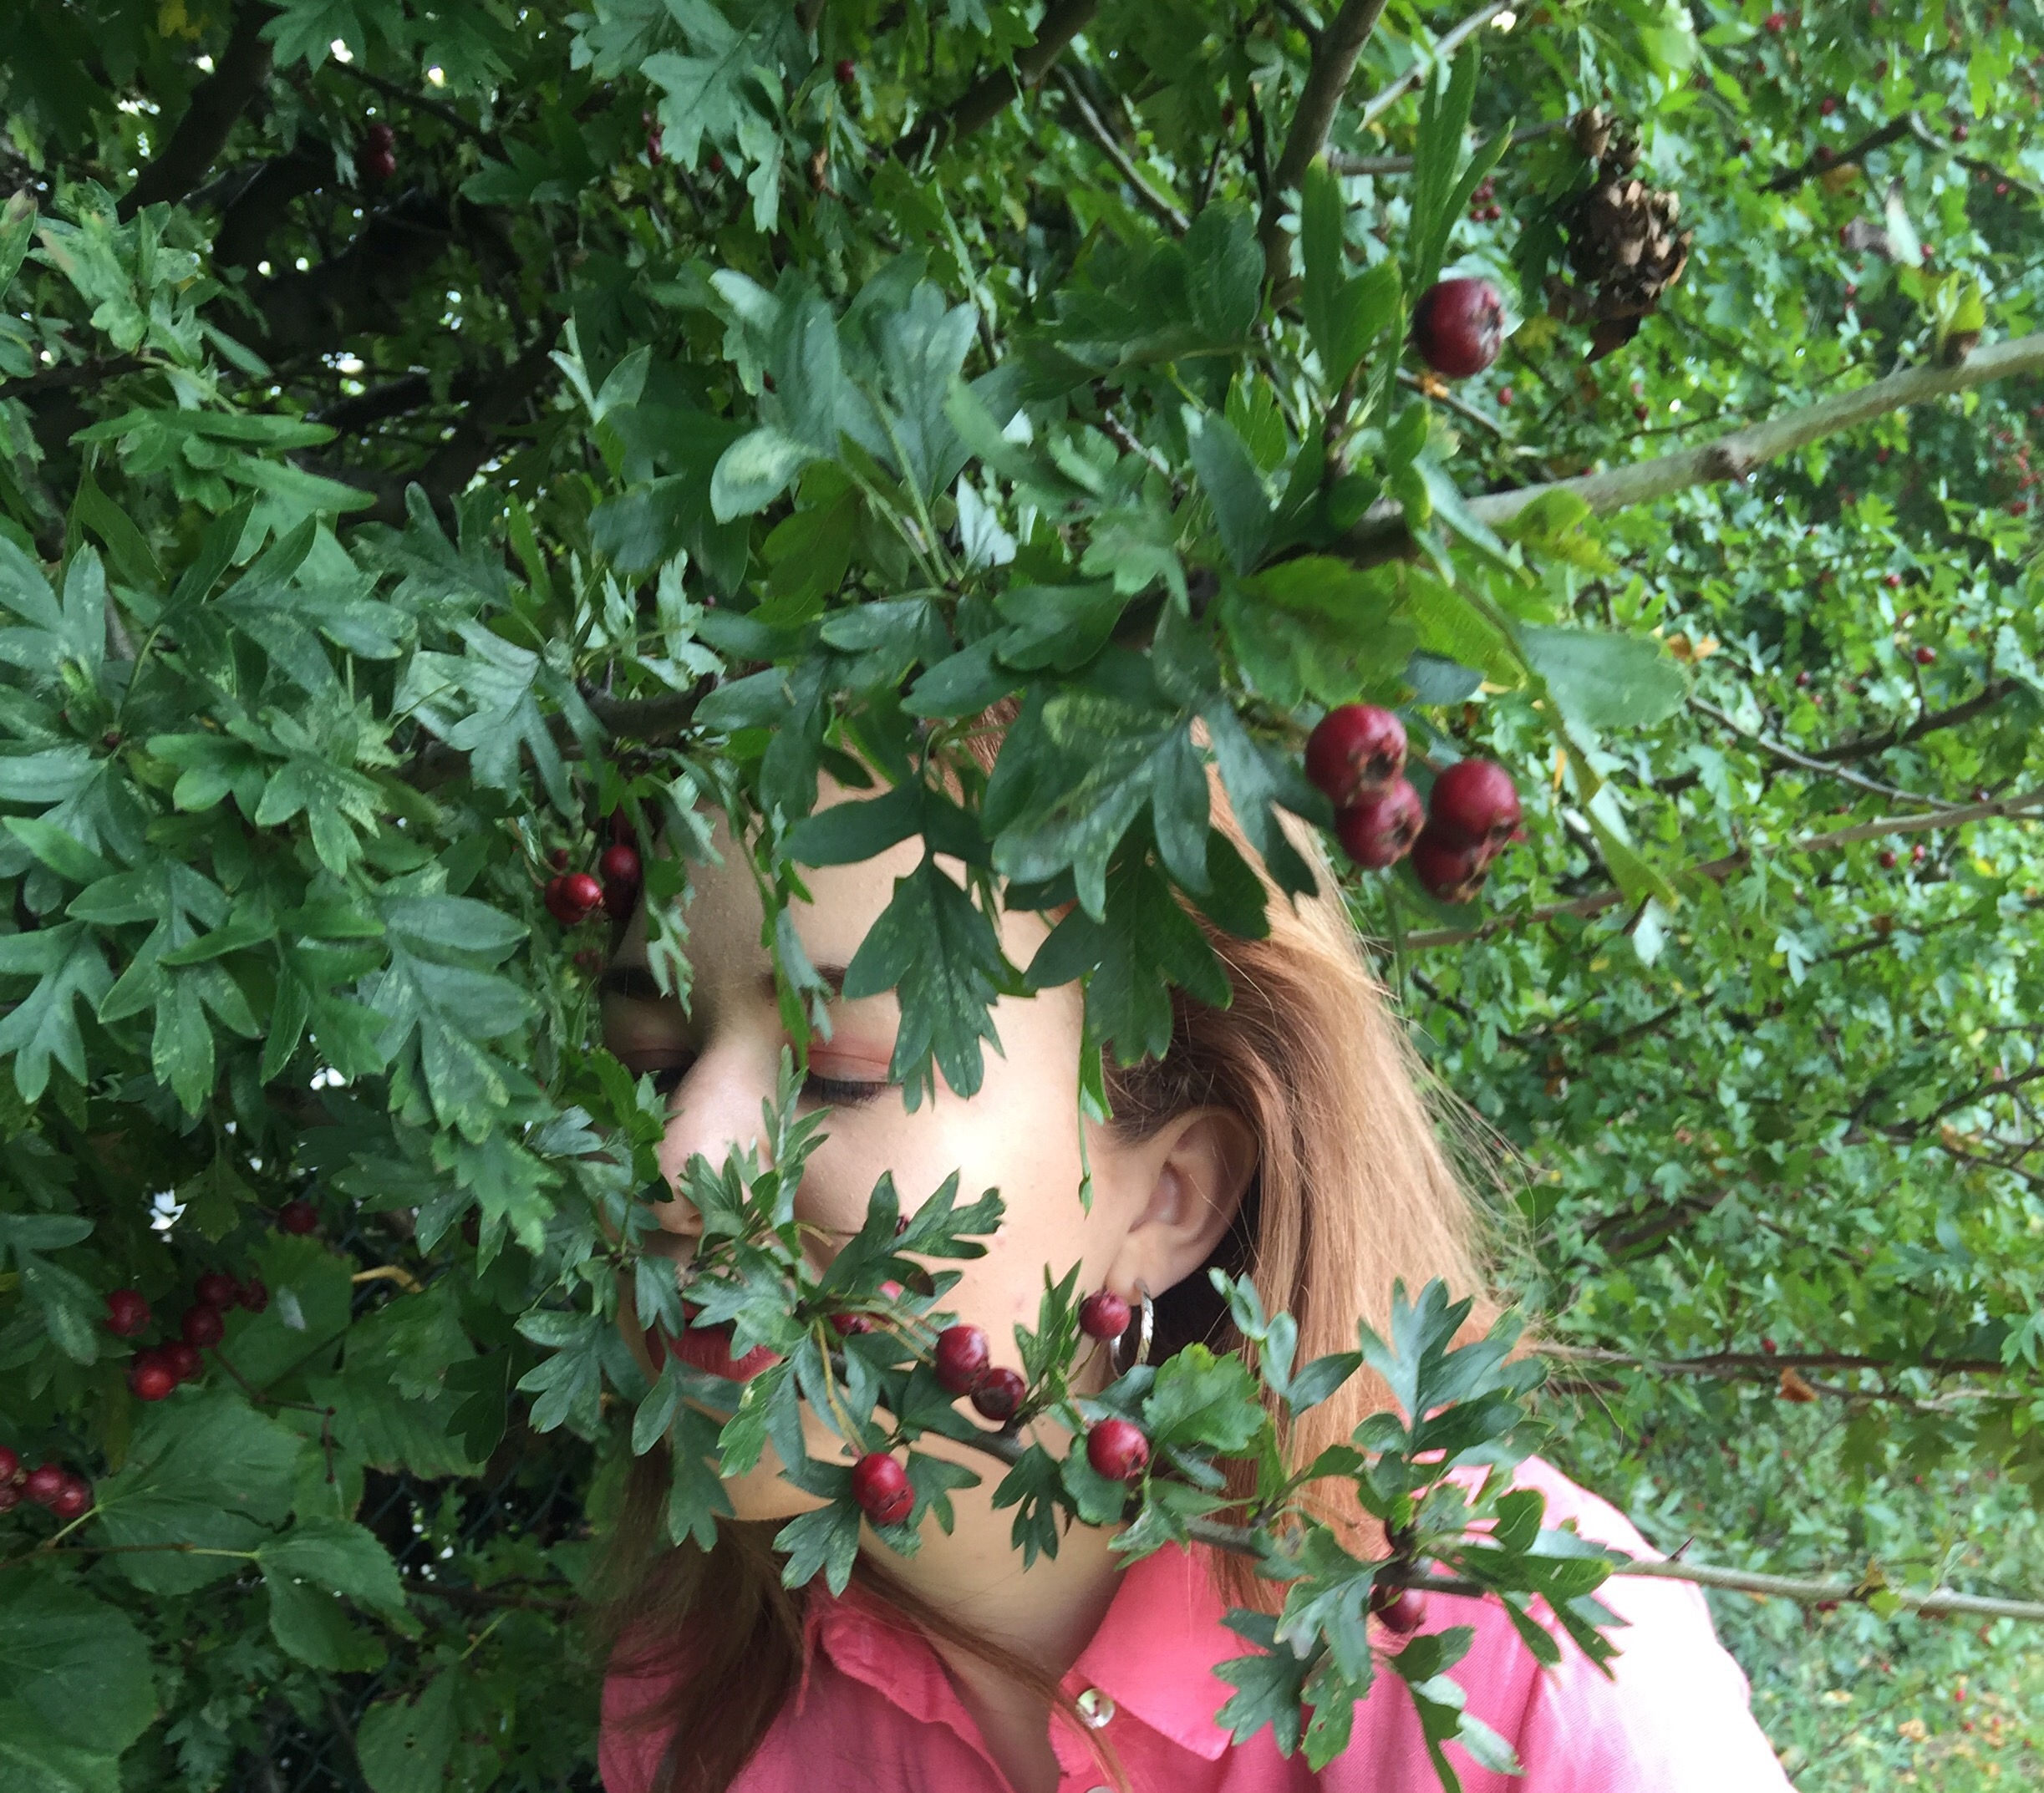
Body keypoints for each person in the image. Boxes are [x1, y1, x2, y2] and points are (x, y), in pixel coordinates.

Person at [587, 708, 1796, 1793]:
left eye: (837, 1072)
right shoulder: (696, 1714)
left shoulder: (1542, 1689)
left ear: (1169, 1198)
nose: (675, 1156)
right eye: (649, 1063)